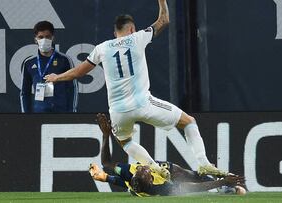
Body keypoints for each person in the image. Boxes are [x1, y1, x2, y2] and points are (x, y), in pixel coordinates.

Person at [44, 0, 227, 179]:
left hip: (118, 111)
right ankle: (203, 163)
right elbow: (164, 20)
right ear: (131, 29)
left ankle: (153, 167)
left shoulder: (102, 48)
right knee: (188, 121)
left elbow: (78, 72)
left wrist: (56, 77)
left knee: (125, 141)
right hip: (143, 104)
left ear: (114, 32)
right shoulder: (138, 37)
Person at [88, 113, 246, 197]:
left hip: (134, 186)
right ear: (150, 179)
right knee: (189, 176)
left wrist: (106, 135)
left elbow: (107, 163)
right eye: (145, 170)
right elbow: (193, 189)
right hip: (162, 179)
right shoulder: (161, 189)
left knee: (127, 186)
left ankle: (105, 178)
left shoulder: (130, 173)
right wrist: (221, 182)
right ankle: (224, 189)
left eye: (139, 169)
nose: (143, 166)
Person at [20, 21, 78, 113]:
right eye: (41, 37)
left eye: (47, 37)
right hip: (38, 112)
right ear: (35, 39)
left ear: (52, 38)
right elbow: (24, 92)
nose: (44, 40)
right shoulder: (29, 62)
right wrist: (26, 115)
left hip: (61, 112)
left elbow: (72, 88)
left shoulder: (64, 60)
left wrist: (72, 111)